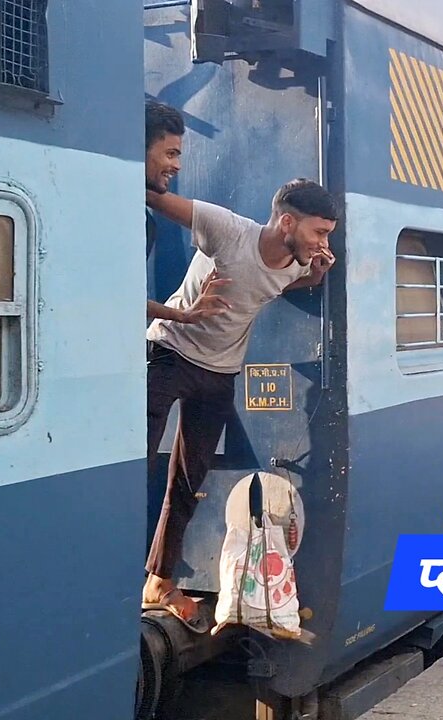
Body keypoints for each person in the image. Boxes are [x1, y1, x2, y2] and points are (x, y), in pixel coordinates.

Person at [141, 178, 340, 630]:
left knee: (188, 483)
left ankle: (157, 579)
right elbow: (152, 195)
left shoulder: (296, 261)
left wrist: (317, 274)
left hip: (219, 375)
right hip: (170, 354)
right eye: (319, 232)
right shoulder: (228, 230)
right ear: (287, 221)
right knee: (130, 464)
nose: (324, 242)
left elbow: (279, 284)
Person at [144, 101, 230, 325]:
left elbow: (124, 296)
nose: (177, 165)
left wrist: (182, 316)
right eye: (170, 154)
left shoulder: (144, 221)